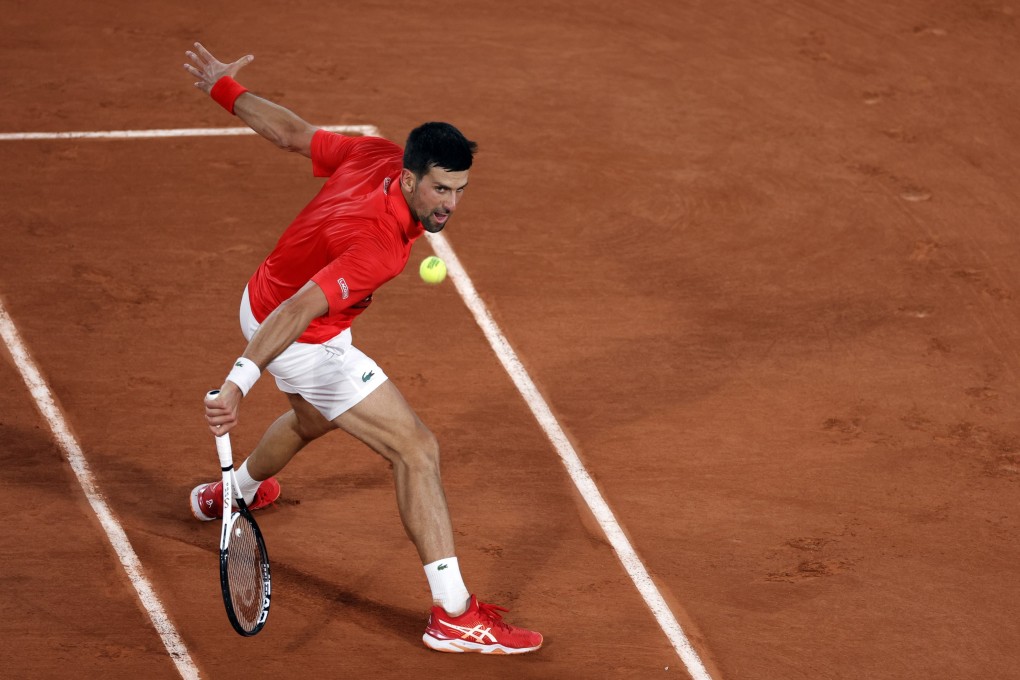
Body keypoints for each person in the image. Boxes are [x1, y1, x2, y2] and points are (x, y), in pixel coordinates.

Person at [182, 43, 542, 655]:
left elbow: (293, 134)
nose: (450, 205)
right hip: (298, 332)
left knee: (312, 418)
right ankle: (454, 615)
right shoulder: (376, 247)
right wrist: (239, 382)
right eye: (440, 190)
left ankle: (233, 493)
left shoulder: (376, 154)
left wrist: (226, 89)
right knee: (416, 451)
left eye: (459, 190)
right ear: (411, 178)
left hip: (261, 292)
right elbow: (300, 311)